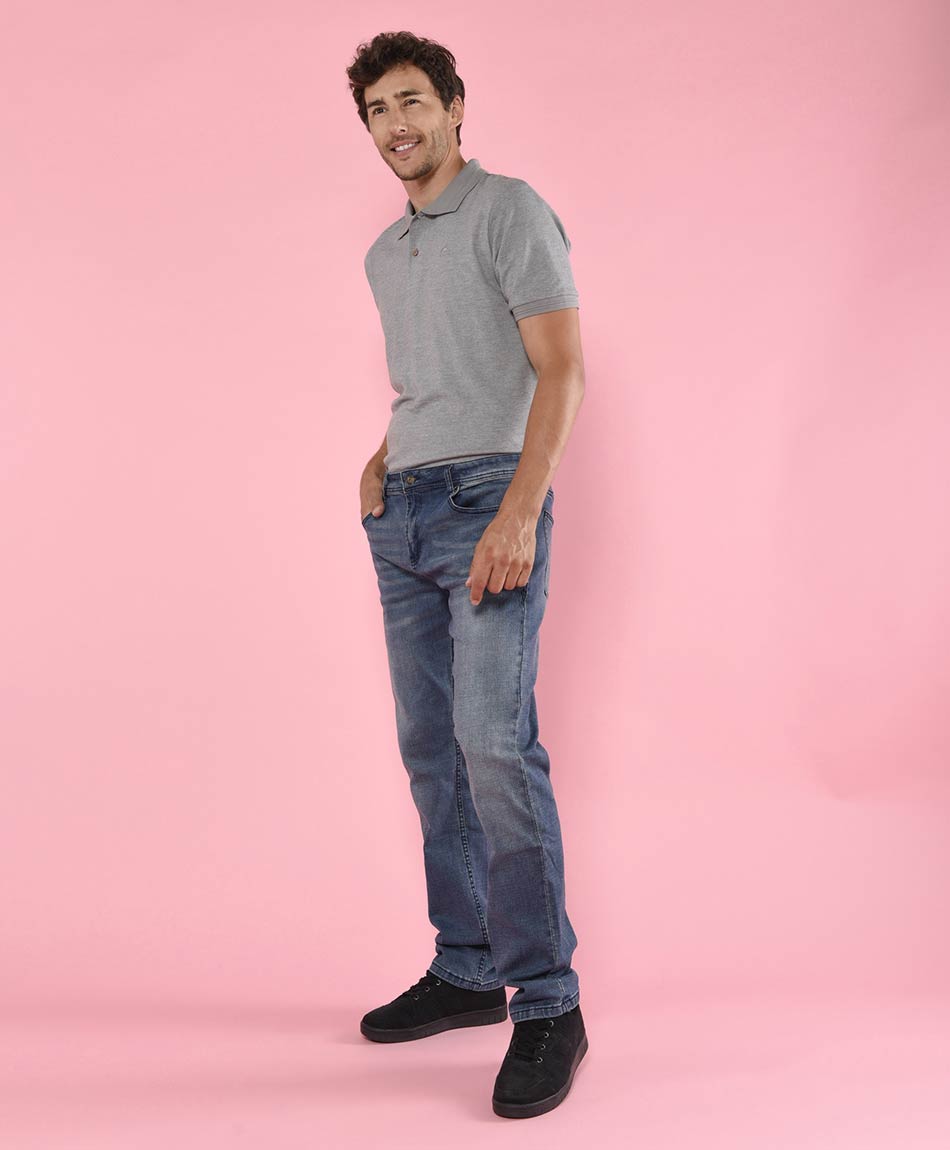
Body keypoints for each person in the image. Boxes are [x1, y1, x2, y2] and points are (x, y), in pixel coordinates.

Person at [346, 31, 588, 1119]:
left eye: (411, 101)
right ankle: (467, 965)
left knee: (494, 744)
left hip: (489, 500)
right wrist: (378, 465)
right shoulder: (383, 252)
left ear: (452, 107)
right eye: (376, 110)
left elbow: (560, 369)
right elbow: (434, 382)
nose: (395, 124)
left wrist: (518, 512)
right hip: (402, 511)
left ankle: (548, 1002)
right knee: (431, 753)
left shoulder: (509, 210)